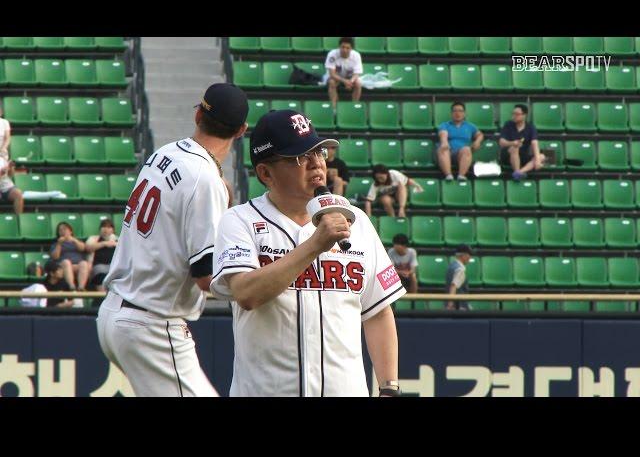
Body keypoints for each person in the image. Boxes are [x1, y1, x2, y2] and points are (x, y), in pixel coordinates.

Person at [210, 109, 404, 397]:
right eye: (300, 157)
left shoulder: (357, 221)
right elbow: (246, 293)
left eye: (320, 153)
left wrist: (389, 387)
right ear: (266, 173)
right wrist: (315, 245)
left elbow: (377, 311)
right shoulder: (239, 221)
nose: (316, 165)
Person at [96, 83, 249, 397]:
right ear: (241, 131)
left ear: (197, 115)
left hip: (116, 311)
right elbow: (207, 277)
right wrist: (256, 285)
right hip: (151, 323)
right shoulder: (205, 179)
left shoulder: (164, 153)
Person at [436, 102, 484, 181]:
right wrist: (444, 142)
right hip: (448, 152)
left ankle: (461, 176)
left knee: (466, 149)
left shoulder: (470, 126)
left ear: (464, 113)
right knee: (443, 148)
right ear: (451, 113)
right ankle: (448, 175)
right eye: (455, 111)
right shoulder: (445, 125)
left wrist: (477, 141)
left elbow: (480, 135)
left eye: (460, 111)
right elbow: (443, 134)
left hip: (461, 154)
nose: (457, 113)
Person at [499, 104, 545, 180]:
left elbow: (534, 143)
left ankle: (519, 172)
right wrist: (512, 143)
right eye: (513, 114)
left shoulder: (530, 127)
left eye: (517, 114)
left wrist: (537, 161)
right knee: (515, 148)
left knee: (542, 157)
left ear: (524, 115)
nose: (514, 116)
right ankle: (516, 170)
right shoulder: (508, 125)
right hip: (508, 155)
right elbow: (501, 142)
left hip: (523, 155)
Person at [50, 222, 90, 291]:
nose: (63, 232)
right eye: (60, 230)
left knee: (84, 263)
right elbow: (55, 257)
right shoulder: (56, 244)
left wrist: (74, 240)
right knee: (66, 262)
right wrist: (59, 244)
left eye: (65, 229)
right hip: (63, 266)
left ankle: (81, 287)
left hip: (77, 265)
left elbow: (83, 248)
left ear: (70, 231)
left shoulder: (76, 241)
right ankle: (72, 286)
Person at [85, 219, 118, 304]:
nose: (106, 229)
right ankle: (105, 300)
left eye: (108, 227)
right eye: (103, 227)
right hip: (98, 267)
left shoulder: (118, 240)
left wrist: (115, 244)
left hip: (113, 267)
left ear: (113, 230)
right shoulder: (94, 239)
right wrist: (104, 243)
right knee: (100, 272)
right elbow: (88, 248)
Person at [325, 37, 363, 109]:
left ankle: (354, 106)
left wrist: (350, 81)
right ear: (339, 47)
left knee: (358, 83)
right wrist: (344, 81)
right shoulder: (332, 54)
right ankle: (334, 108)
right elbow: (332, 74)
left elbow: (357, 73)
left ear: (351, 48)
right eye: (343, 47)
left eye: (347, 48)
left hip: (349, 78)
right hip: (335, 77)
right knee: (332, 82)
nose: (345, 50)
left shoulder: (356, 55)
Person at [445, 244, 473, 311]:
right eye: (469, 255)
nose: (470, 258)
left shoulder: (451, 266)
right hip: (459, 308)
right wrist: (450, 304)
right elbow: (453, 286)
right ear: (464, 255)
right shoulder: (460, 269)